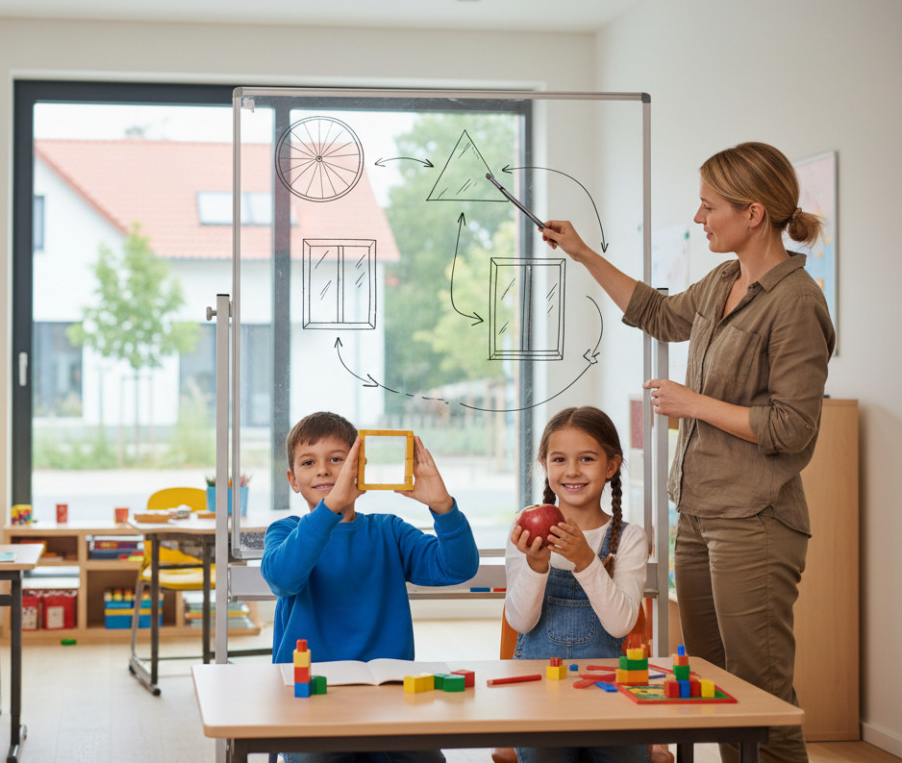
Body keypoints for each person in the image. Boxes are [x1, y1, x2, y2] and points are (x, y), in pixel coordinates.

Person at [538, 141, 834, 763]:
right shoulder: (725, 280)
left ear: (753, 213)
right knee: (714, 684)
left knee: (760, 694)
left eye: (708, 206)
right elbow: (657, 312)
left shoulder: (796, 301)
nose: (699, 219)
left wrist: (692, 402)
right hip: (698, 515)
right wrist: (582, 252)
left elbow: (792, 427)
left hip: (755, 522)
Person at [260, 411, 479, 763]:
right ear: (292, 479)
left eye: (337, 460)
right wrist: (330, 508)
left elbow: (458, 567)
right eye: (308, 462)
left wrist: (443, 505)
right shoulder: (285, 532)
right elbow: (283, 577)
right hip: (311, 698)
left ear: (359, 467)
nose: (324, 471)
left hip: (389, 696)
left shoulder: (388, 530)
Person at [506, 406, 648, 763]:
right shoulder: (524, 528)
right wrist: (536, 566)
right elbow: (521, 622)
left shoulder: (629, 539)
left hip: (612, 691)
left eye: (586, 459)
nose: (571, 471)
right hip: (540, 691)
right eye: (559, 459)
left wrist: (586, 560)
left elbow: (620, 624)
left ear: (611, 466)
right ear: (544, 464)